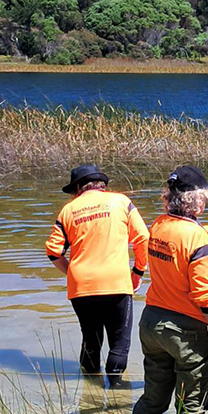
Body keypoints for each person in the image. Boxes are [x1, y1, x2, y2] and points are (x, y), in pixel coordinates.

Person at [128, 166, 208, 414]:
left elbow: (180, 235)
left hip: (151, 324)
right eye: (204, 198)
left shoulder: (158, 225)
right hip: (185, 333)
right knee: (191, 401)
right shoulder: (199, 243)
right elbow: (205, 296)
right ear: (197, 202)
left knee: (154, 393)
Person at [45, 164, 148, 385]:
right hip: (116, 283)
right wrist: (138, 272)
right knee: (119, 342)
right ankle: (116, 390)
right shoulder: (121, 202)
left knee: (91, 340)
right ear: (101, 185)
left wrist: (71, 272)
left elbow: (53, 251)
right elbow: (143, 239)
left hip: (81, 286)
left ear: (78, 188)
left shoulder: (68, 210)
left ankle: (89, 389)